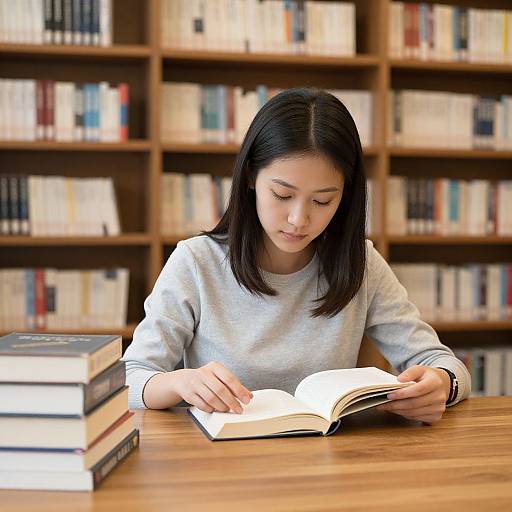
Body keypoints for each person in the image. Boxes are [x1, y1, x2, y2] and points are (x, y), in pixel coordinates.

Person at [122, 87, 470, 425]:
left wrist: (441, 384)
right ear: (250, 178)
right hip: (223, 465)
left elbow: (444, 364)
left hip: (328, 463)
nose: (298, 219)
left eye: (322, 201)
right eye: (282, 194)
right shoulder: (197, 263)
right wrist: (178, 382)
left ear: (345, 198)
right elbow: (130, 378)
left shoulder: (360, 264)